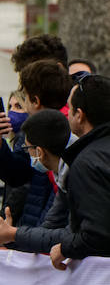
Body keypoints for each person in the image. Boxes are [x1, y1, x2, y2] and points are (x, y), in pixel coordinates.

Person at [0, 109, 73, 253]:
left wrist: (12, 234)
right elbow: (47, 230)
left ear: (39, 152)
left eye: (26, 148)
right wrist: (8, 237)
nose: (27, 154)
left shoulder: (75, 176)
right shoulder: (63, 176)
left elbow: (74, 236)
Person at [0, 59, 73, 230]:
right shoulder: (36, 130)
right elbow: (19, 172)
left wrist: (17, 237)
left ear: (35, 101)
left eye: (23, 99)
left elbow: (59, 206)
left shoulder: (65, 133)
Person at [49, 73, 110, 269]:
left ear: (79, 115)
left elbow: (97, 235)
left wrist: (64, 248)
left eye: (70, 108)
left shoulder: (87, 163)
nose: (66, 113)